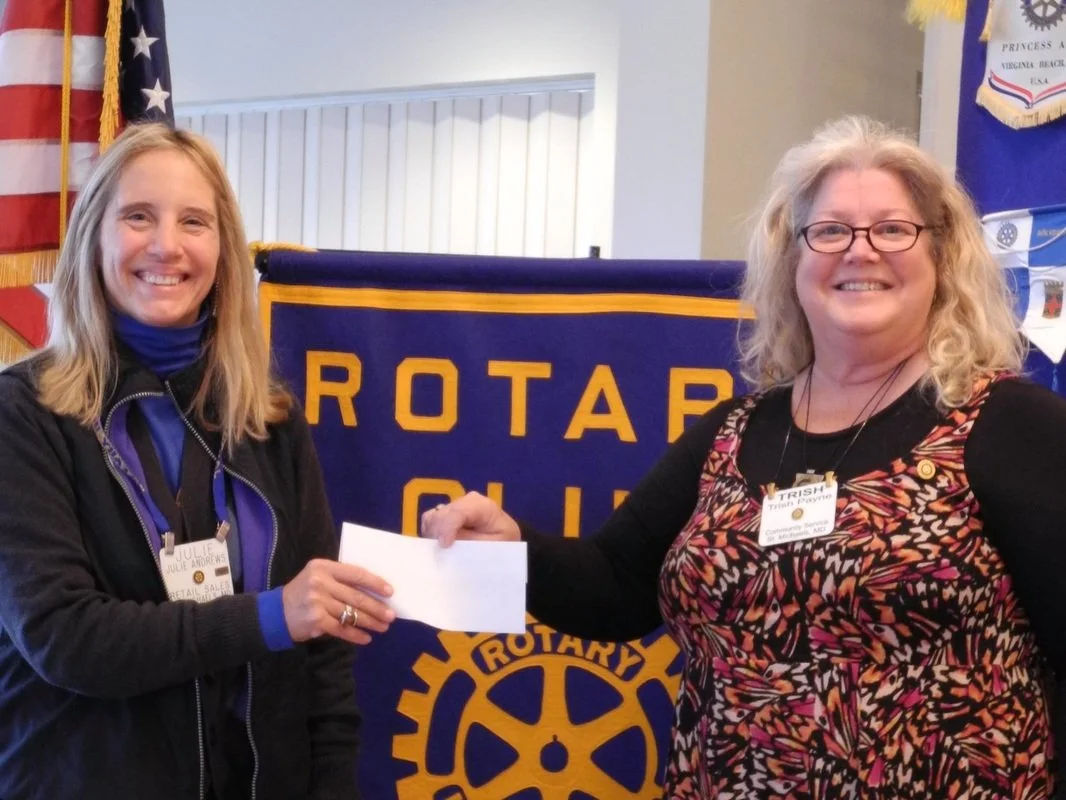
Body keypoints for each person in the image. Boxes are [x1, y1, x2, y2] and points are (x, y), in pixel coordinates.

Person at [422, 115, 1066, 798]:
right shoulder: (733, 432)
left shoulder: (1010, 428)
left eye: (892, 229)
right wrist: (511, 545)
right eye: (830, 231)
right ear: (792, 261)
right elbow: (615, 589)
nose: (860, 251)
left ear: (942, 259)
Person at [0, 123, 395, 800]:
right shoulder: (22, 413)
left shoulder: (267, 419)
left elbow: (324, 654)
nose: (167, 246)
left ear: (223, 251)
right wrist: (272, 616)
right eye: (137, 217)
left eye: (194, 221)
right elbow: (65, 638)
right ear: (93, 237)